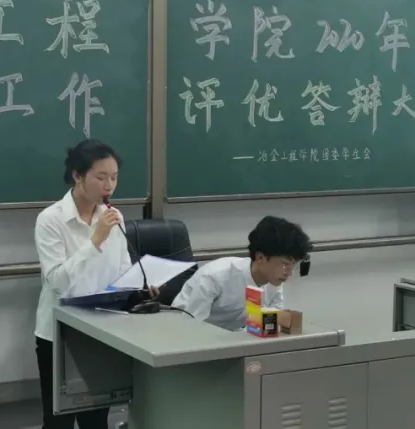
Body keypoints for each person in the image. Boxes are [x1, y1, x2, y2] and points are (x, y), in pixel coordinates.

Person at [32, 139, 145, 429]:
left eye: (114, 178)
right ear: (77, 175)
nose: (109, 186)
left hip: (101, 329)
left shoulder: (113, 217)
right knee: (58, 422)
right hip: (59, 333)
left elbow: (121, 269)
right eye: (101, 177)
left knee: (96, 420)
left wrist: (140, 283)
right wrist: (95, 240)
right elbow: (58, 281)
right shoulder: (51, 220)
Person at [172, 215, 311, 331]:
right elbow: (191, 328)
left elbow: (267, 326)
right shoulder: (215, 277)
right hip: (183, 332)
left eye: (294, 265)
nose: (290, 273)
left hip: (230, 337)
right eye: (285, 264)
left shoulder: (274, 281)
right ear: (260, 258)